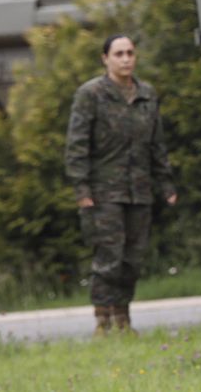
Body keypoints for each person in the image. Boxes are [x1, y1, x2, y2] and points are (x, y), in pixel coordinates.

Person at [64, 34, 177, 335]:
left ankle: (123, 319)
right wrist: (82, 189)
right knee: (108, 257)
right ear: (106, 59)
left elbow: (157, 144)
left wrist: (166, 184)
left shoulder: (147, 95)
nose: (126, 59)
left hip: (139, 190)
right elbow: (77, 145)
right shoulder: (91, 94)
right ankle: (103, 321)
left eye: (130, 53)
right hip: (103, 192)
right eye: (118, 54)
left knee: (132, 258)